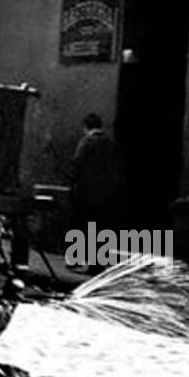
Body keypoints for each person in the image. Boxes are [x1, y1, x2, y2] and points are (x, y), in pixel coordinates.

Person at [69, 113, 125, 271]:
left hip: (87, 193)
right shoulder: (111, 143)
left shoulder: (86, 142)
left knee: (81, 227)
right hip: (106, 194)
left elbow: (77, 165)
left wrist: (74, 185)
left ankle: (77, 261)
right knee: (102, 228)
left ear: (85, 126)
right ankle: (98, 264)